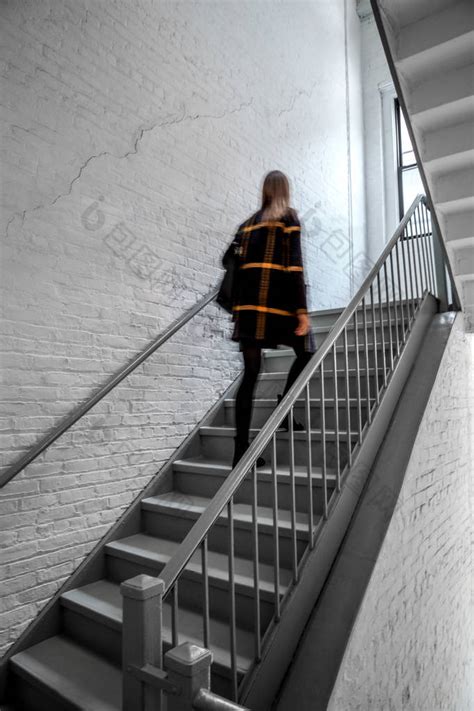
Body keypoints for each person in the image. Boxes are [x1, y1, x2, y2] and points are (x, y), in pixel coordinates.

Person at [223, 170, 316, 469]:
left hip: (249, 310)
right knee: (307, 351)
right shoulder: (288, 218)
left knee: (251, 374)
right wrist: (301, 311)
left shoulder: (247, 224)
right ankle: (283, 411)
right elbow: (294, 266)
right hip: (279, 307)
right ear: (285, 190)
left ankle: (240, 450)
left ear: (265, 190)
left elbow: (227, 260)